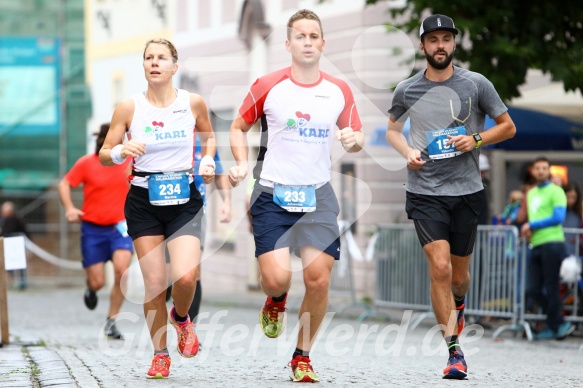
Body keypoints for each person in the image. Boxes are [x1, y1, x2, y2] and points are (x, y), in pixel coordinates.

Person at [228, 9, 363, 383]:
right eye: (299, 36)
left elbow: (356, 133)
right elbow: (238, 127)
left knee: (319, 279)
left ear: (323, 43)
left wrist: (353, 140)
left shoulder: (338, 90)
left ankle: (302, 357)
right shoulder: (268, 85)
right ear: (288, 44)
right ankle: (275, 300)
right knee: (276, 279)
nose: (307, 41)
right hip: (271, 193)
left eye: (313, 35)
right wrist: (241, 163)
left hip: (318, 196)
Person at [385, 14, 516, 379]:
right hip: (424, 190)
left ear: (454, 44)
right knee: (439, 267)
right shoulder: (407, 89)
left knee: (459, 277)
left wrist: (475, 139)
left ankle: (459, 303)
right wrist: (406, 152)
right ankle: (454, 352)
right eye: (433, 40)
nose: (440, 45)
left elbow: (508, 127)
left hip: (466, 191)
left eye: (446, 39)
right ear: (423, 45)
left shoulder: (476, 84)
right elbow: (393, 131)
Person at [99, 38, 216, 379]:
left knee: (185, 275)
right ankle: (160, 353)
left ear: (174, 66)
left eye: (162, 58)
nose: (155, 62)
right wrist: (122, 150)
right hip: (143, 199)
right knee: (154, 283)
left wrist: (207, 160)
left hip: (184, 197)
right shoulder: (128, 107)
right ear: (144, 66)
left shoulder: (192, 103)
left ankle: (181, 318)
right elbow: (106, 153)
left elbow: (209, 136)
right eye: (149, 57)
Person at [57, 123, 133, 339]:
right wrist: (70, 208)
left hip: (121, 228)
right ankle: (91, 289)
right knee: (98, 281)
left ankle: (111, 321)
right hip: (93, 229)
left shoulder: (130, 162)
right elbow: (64, 184)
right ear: (102, 143)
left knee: (122, 271)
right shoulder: (86, 164)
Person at [165, 142, 232, 328]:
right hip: (161, 212)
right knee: (163, 277)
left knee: (193, 273)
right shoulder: (163, 135)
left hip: (194, 213)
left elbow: (219, 174)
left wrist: (226, 201)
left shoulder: (206, 143)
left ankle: (189, 328)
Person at [520, 157, 574, 340]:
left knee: (551, 288)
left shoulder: (557, 191)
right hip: (535, 243)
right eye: (538, 168)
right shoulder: (532, 193)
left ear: (549, 171)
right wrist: (527, 228)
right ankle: (556, 323)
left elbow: (558, 217)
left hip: (553, 243)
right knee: (533, 289)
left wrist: (531, 225)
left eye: (544, 168)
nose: (541, 171)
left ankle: (557, 325)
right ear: (532, 171)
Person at [0, 201, 29, 290]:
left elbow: (20, 231)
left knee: (19, 264)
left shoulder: (16, 219)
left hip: (15, 246)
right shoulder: (2, 219)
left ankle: (21, 282)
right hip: (5, 245)